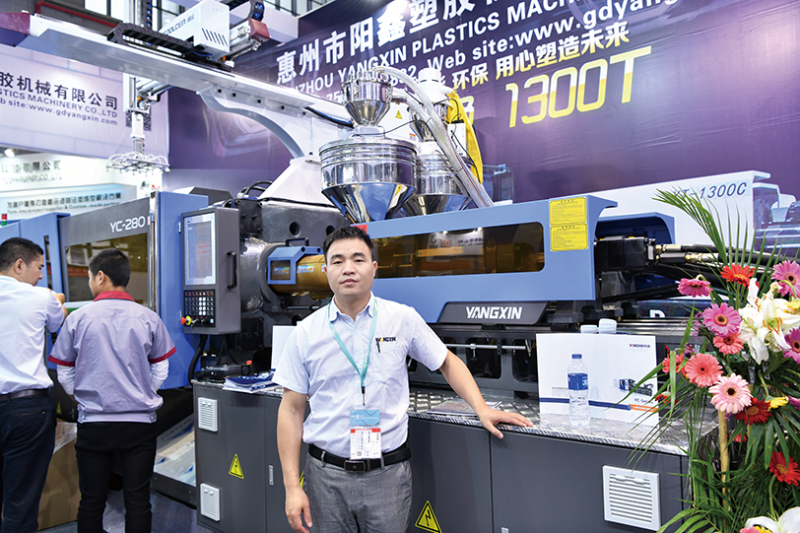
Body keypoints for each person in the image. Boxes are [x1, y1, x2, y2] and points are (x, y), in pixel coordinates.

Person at [274, 226, 532, 533]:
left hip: (387, 476)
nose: (348, 268)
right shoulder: (306, 333)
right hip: (325, 477)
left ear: (374, 268)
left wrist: (482, 408)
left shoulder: (401, 319)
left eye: (358, 259)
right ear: (326, 270)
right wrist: (292, 487)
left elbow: (447, 361)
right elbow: (291, 409)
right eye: (338, 261)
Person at [49, 248, 175, 533]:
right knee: (138, 499)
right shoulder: (149, 317)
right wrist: (142, 392)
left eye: (89, 277)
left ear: (100, 277)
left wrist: (78, 396)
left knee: (91, 500)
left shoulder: (78, 319)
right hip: (139, 424)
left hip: (94, 422)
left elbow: (64, 370)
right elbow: (161, 368)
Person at [0, 237, 67, 533]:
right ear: (19, 265)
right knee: (21, 503)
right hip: (26, 409)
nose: (41, 275)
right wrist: (57, 300)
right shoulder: (41, 297)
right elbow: (58, 322)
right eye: (39, 267)